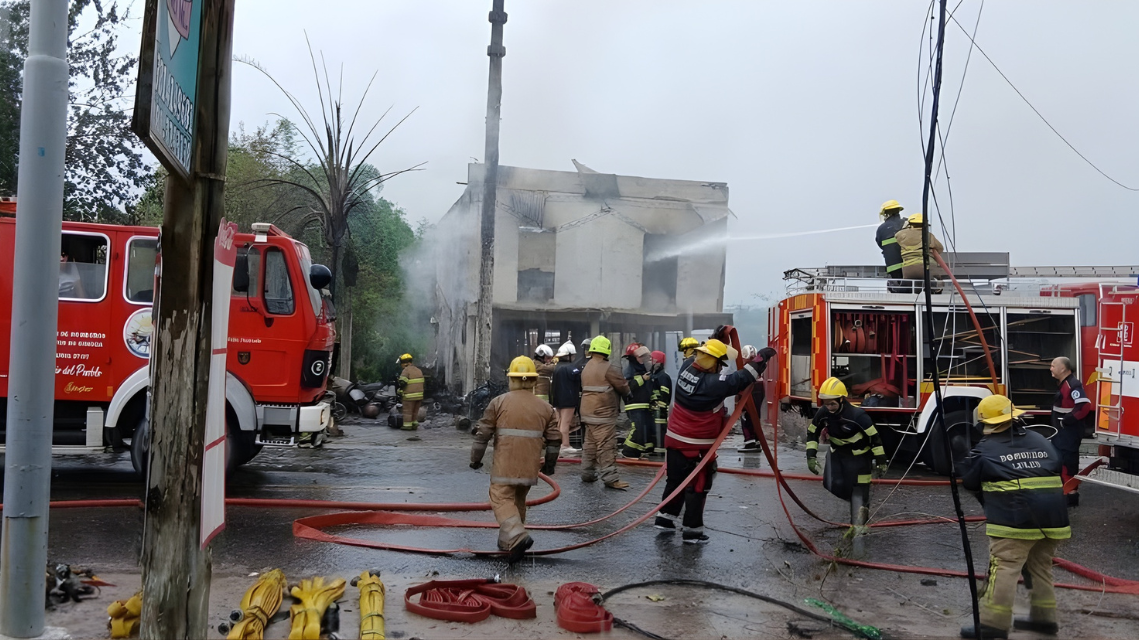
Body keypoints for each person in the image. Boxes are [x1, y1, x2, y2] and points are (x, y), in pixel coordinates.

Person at [958, 394, 1069, 639]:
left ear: (985, 422)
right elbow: (1055, 464)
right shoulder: (1040, 440)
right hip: (1055, 517)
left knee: (1005, 567)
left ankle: (993, 625)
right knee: (1040, 566)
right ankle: (1044, 620)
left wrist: (964, 455)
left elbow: (969, 481)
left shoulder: (985, 449)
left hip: (1016, 520)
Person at [656, 339, 774, 543]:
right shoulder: (711, 384)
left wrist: (717, 337)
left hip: (674, 439)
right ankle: (692, 532)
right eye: (720, 363)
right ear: (714, 364)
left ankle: (665, 519)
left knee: (675, 480)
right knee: (699, 485)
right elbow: (742, 378)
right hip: (696, 445)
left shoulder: (686, 367)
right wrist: (761, 358)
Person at [469, 356, 561, 563]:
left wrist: (476, 459)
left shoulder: (498, 402)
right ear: (534, 381)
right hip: (529, 467)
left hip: (505, 465)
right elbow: (555, 440)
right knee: (517, 499)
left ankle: (517, 535)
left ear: (512, 379)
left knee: (500, 497)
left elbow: (482, 434)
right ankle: (508, 542)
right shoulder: (546, 408)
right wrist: (550, 465)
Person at [805, 377, 888, 533]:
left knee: (859, 491)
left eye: (832, 403)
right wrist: (811, 456)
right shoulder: (823, 413)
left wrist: (881, 460)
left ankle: (859, 527)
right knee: (831, 484)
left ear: (841, 399)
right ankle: (856, 505)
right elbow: (812, 433)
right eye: (825, 403)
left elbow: (875, 438)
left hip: (860, 458)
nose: (828, 407)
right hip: (837, 455)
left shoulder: (858, 416)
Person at [578, 336, 632, 490]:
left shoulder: (587, 366)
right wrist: (628, 392)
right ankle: (610, 478)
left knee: (590, 444)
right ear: (606, 350)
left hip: (587, 412)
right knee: (606, 445)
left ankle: (587, 474)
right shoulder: (609, 367)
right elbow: (622, 385)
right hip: (603, 413)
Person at [1049, 356, 1092, 506]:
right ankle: (1066, 494)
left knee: (1067, 462)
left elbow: (1084, 406)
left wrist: (1068, 420)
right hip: (1062, 433)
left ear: (1063, 368)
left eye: (1053, 366)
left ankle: (1071, 496)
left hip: (1068, 433)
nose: (1051, 369)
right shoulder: (1064, 384)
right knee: (1060, 461)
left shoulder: (1072, 385)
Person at [737, 344, 774, 453]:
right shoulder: (758, 365)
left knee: (746, 415)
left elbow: (742, 381)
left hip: (750, 388)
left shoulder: (747, 368)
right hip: (759, 387)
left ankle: (750, 442)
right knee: (755, 415)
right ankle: (757, 440)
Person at [621, 345, 656, 459]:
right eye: (641, 357)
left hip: (644, 405)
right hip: (634, 405)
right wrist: (642, 379)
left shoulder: (643, 369)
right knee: (637, 428)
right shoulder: (629, 370)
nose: (644, 360)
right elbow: (628, 387)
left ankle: (638, 452)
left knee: (645, 429)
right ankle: (627, 451)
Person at [550, 341, 582, 456]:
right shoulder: (571, 368)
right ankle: (565, 445)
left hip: (557, 399)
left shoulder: (557, 367)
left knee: (559, 422)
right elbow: (579, 378)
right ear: (568, 355)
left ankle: (559, 444)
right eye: (573, 355)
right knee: (565, 422)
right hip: (568, 399)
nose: (574, 357)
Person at [894, 213, 944, 283]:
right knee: (935, 285)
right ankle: (936, 289)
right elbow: (940, 248)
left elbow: (896, 241)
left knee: (911, 288)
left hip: (908, 268)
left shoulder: (901, 234)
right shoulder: (929, 235)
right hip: (928, 267)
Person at [875, 200, 906, 279]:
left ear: (886, 214)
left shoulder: (881, 229)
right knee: (910, 287)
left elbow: (880, 244)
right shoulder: (906, 224)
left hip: (892, 266)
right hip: (908, 264)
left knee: (899, 288)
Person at [649, 350, 672, 455]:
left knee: (660, 431)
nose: (650, 362)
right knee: (654, 430)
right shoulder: (654, 376)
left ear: (657, 362)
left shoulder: (663, 376)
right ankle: (655, 450)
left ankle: (660, 452)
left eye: (651, 359)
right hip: (655, 409)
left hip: (660, 410)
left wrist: (659, 406)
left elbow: (665, 394)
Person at [397, 353, 425, 431]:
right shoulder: (418, 370)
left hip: (409, 396)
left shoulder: (406, 370)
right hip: (419, 396)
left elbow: (402, 382)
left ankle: (407, 425)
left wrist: (400, 390)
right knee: (415, 411)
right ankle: (414, 423)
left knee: (407, 411)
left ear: (404, 363)